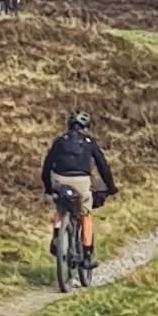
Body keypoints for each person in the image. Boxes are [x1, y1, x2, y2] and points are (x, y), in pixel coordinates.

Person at [41, 110, 116, 269]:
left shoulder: (60, 141)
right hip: (81, 181)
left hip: (60, 179)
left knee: (61, 209)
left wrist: (48, 187)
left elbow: (47, 165)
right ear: (85, 127)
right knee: (85, 214)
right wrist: (111, 187)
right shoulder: (89, 142)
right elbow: (102, 166)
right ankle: (87, 255)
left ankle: (57, 237)